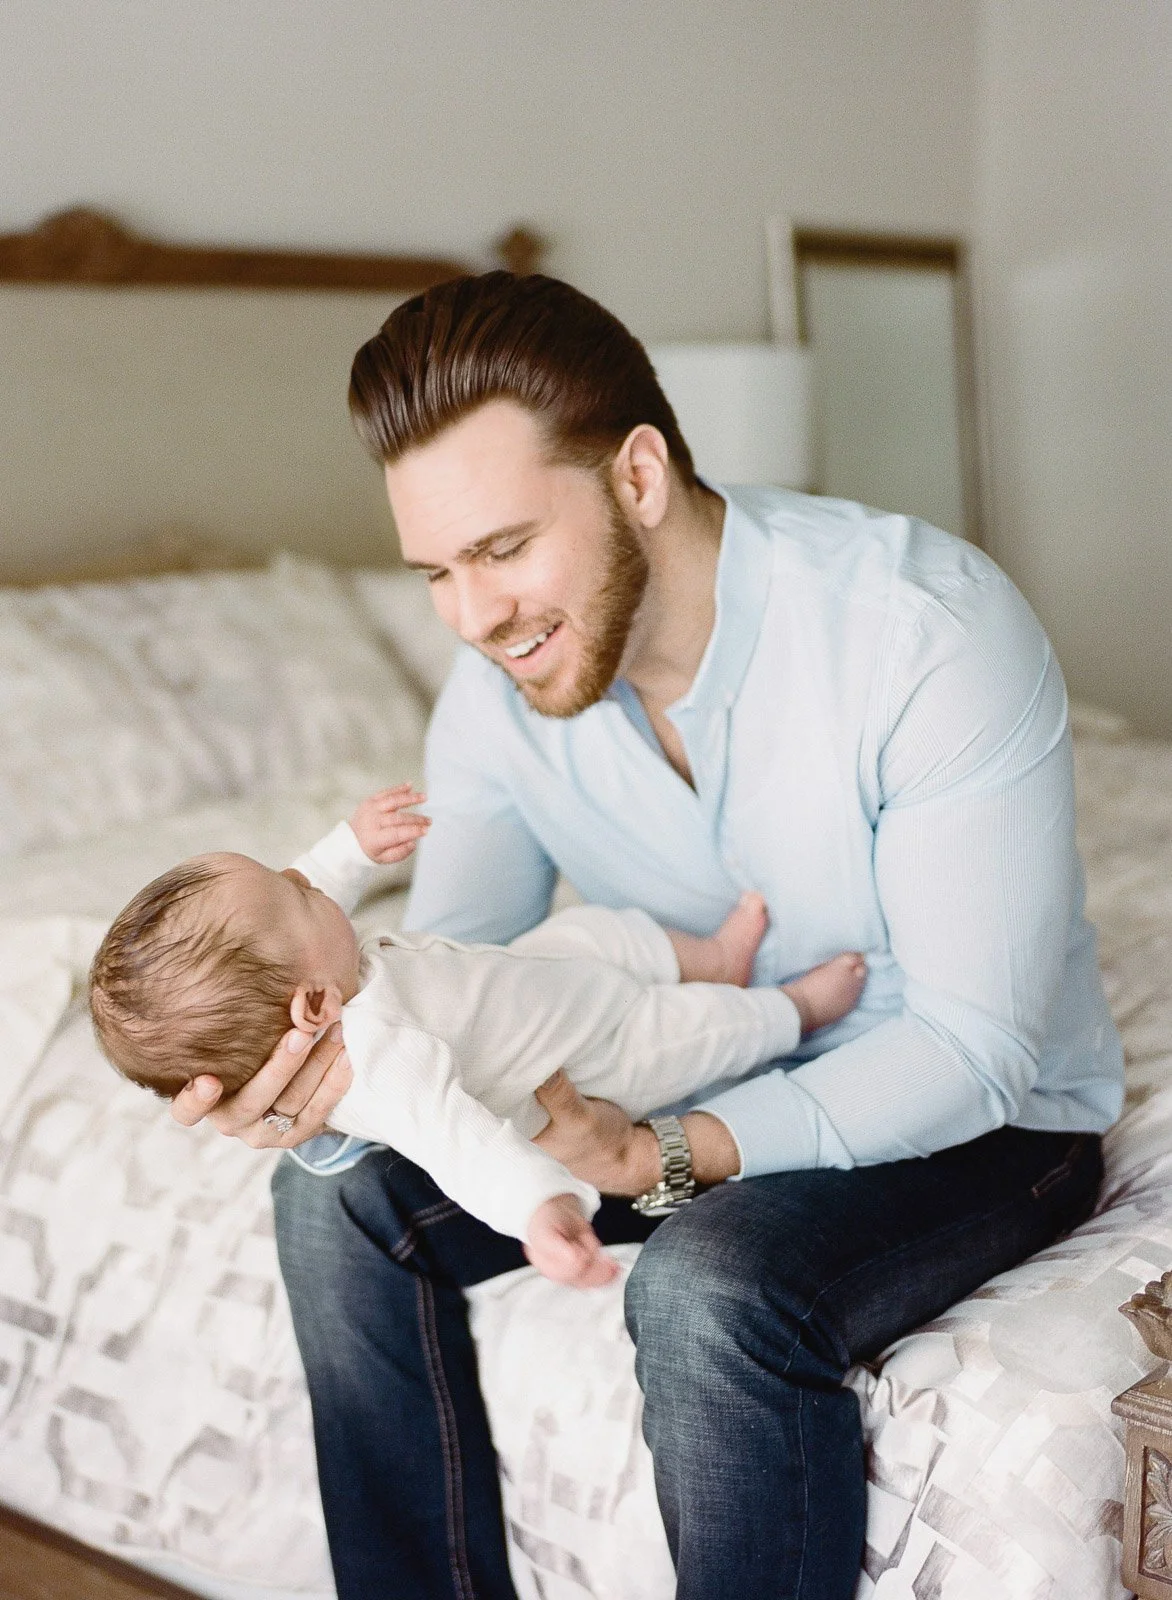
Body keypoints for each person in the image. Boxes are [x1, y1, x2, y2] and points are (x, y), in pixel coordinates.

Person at [169, 271, 1123, 1600]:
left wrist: (666, 1154)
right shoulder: (494, 701)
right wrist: (324, 1090)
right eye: (435, 572)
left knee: (703, 1286)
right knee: (334, 1202)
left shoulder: (927, 631)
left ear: (637, 476)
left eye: (503, 550)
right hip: (677, 1074)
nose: (474, 617)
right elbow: (449, 992)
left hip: (978, 1119)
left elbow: (979, 1049)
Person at [89, 786, 864, 1286]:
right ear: (314, 1007)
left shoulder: (317, 965)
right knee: (701, 1032)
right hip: (593, 1057)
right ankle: (793, 1008)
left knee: (603, 930)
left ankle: (717, 958)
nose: (308, 877)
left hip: (543, 975)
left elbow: (301, 889)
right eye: (297, 891)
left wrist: (353, 844)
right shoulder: (380, 1062)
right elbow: (461, 1144)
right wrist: (540, 1209)